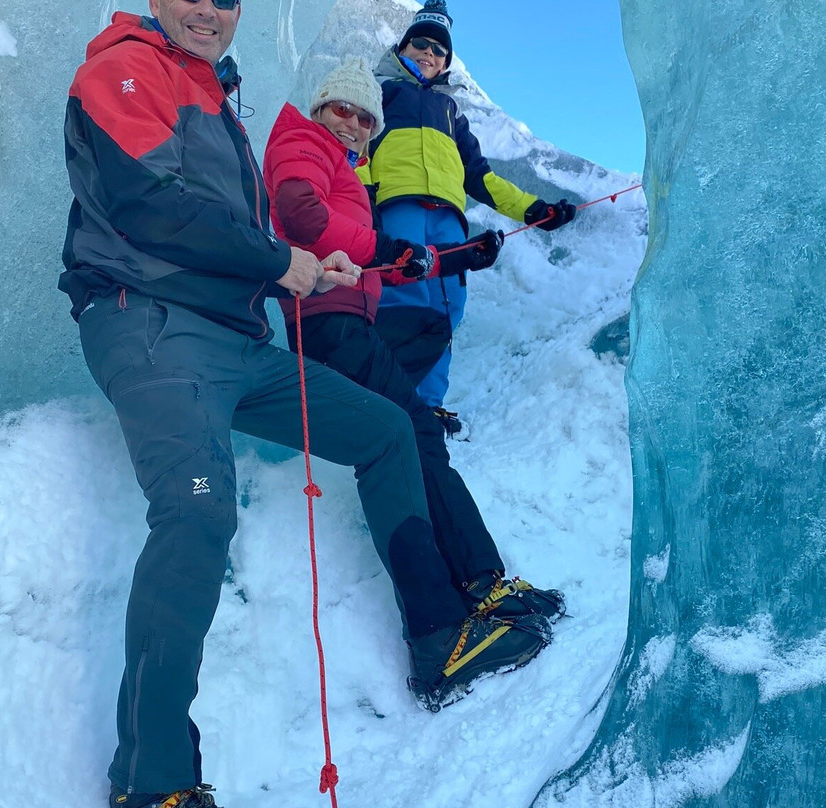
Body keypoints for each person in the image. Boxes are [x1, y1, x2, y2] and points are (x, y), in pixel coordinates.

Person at [60, 4, 549, 807]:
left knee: (391, 428)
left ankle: (437, 641)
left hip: (239, 340)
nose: (207, 11)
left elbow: (254, 232)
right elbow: (149, 205)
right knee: (197, 512)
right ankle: (153, 786)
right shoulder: (124, 68)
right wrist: (282, 257)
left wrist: (305, 269)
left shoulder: (218, 102)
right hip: (145, 317)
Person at [262, 57, 566, 627]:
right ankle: (480, 585)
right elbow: (303, 217)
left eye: (363, 119)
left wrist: (459, 257)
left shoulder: (344, 167)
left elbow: (378, 258)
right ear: (319, 109)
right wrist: (383, 250)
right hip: (328, 320)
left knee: (430, 326)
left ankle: (472, 585)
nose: (351, 123)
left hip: (354, 318)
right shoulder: (303, 141)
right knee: (416, 430)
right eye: (341, 110)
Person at [361, 0, 578, 438]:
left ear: (446, 63)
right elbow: (361, 151)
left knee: (446, 307)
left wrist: (534, 211)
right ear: (402, 47)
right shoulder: (380, 92)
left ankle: (428, 405)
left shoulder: (451, 113)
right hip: (397, 205)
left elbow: (481, 178)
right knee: (402, 297)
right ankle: (390, 397)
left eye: (439, 50)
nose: (429, 53)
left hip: (448, 219)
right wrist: (364, 203)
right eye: (420, 43)